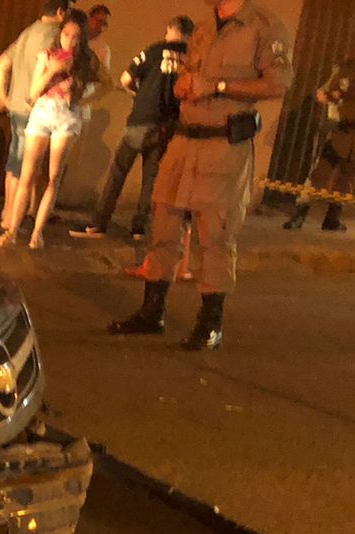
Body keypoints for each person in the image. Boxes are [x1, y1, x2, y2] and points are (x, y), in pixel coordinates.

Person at [109, 0, 292, 351]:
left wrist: (218, 86)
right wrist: (183, 83)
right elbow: (191, 72)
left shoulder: (263, 26)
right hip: (183, 138)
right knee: (163, 223)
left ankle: (210, 323)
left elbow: (277, 85)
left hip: (223, 144)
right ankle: (152, 312)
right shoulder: (204, 26)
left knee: (215, 235)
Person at [72, 15, 194, 239]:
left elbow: (125, 79)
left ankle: (98, 224)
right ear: (189, 35)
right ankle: (139, 228)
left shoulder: (155, 50)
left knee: (118, 172)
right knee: (151, 178)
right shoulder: (192, 60)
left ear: (170, 30)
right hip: (167, 125)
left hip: (141, 119)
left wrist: (140, 93)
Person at [0, 9, 103, 250]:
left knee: (53, 177)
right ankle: (12, 231)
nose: (70, 41)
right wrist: (53, 69)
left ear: (83, 39)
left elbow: (108, 83)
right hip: (42, 113)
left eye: (76, 37)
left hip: (67, 118)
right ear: (60, 33)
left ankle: (37, 233)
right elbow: (33, 93)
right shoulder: (47, 55)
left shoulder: (87, 61)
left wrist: (85, 98)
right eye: (66, 35)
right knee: (27, 174)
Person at [0, 3, 69, 228]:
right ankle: (12, 218)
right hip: (35, 108)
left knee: (14, 162)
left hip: (16, 105)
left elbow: (3, 61)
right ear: (61, 12)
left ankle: (7, 212)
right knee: (25, 167)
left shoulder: (28, 32)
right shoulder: (56, 36)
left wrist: (3, 96)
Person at [283, 58, 355, 233]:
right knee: (320, 173)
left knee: (346, 178)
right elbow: (322, 94)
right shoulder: (345, 70)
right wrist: (335, 96)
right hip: (341, 131)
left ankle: (332, 218)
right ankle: (299, 214)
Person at [87, 4, 114, 73]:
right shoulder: (72, 37)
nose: (101, 27)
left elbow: (103, 75)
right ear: (89, 18)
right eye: (98, 21)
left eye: (104, 24)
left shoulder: (103, 49)